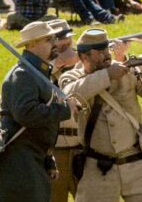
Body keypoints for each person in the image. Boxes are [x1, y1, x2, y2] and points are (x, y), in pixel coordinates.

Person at [59, 28, 142, 202]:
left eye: (106, 50)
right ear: (84, 57)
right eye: (100, 52)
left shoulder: (127, 73)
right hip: (97, 167)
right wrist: (107, 75)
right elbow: (70, 93)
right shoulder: (72, 77)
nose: (106, 55)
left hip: (136, 163)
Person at [0, 21, 77, 202]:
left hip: (33, 159)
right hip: (19, 162)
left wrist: (47, 159)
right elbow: (26, 114)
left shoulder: (36, 72)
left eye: (54, 39)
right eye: (49, 40)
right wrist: (64, 110)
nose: (55, 43)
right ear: (32, 44)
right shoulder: (23, 74)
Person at [48, 19, 80, 202]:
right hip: (54, 148)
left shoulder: (82, 65)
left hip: (82, 147)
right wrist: (56, 66)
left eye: (68, 40)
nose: (66, 45)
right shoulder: (39, 70)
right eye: (60, 41)